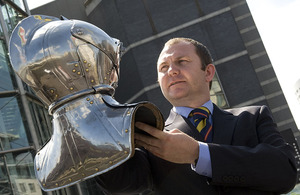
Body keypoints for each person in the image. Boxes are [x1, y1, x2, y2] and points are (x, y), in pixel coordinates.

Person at [96, 37, 297, 194]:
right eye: (163, 68)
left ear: (208, 72)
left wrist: (198, 153)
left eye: (181, 62)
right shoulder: (150, 138)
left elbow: (285, 172)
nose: (171, 71)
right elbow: (117, 183)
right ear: (160, 83)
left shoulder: (253, 117)